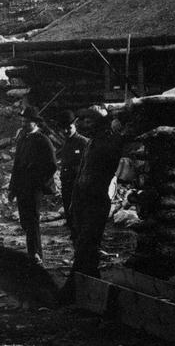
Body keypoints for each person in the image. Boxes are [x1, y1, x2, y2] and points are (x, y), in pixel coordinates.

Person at [65, 108, 126, 295]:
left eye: (88, 121)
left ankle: (72, 289)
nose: (83, 124)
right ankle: (93, 287)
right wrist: (74, 201)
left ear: (99, 123)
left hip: (96, 200)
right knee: (85, 245)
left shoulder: (110, 142)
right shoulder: (91, 143)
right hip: (82, 199)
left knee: (86, 244)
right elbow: (81, 174)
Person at [8, 106, 57, 265]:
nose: (23, 124)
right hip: (22, 188)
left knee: (32, 221)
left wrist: (40, 183)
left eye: (27, 121)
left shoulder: (43, 140)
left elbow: (52, 165)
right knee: (25, 221)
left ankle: (36, 255)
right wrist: (12, 188)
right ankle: (32, 252)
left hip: (34, 188)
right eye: (22, 121)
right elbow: (17, 165)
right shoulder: (23, 139)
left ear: (35, 123)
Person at [57, 110, 89, 228]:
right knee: (69, 213)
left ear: (74, 125)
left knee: (80, 214)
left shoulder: (83, 142)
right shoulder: (66, 143)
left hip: (79, 184)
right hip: (67, 183)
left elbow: (87, 166)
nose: (66, 131)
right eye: (63, 129)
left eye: (69, 128)